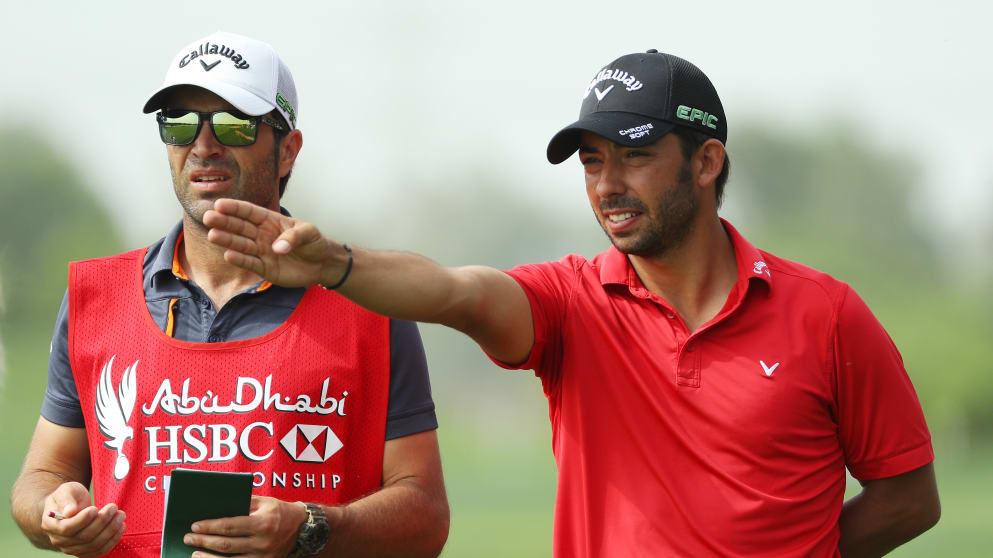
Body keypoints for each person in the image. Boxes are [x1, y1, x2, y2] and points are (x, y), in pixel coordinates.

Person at [203, 50, 941, 557]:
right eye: (591, 161)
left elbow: (908, 498)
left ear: (706, 161)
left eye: (634, 156)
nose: (606, 184)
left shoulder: (827, 315)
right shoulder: (571, 303)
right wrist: (337, 264)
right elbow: (457, 292)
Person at [10, 31, 449, 558]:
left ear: (288, 151)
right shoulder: (96, 297)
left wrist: (308, 527)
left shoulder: (367, 301)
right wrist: (53, 511)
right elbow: (41, 476)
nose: (203, 144)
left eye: (233, 124)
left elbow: (425, 514)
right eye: (179, 123)